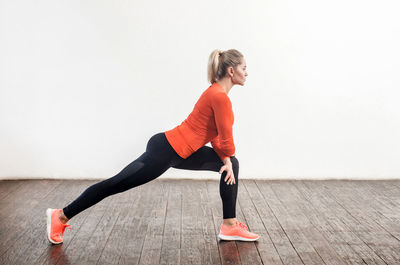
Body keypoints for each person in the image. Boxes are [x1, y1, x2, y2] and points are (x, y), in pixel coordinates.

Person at [46, 49, 260, 244]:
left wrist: (226, 161)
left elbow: (217, 137)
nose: (246, 73)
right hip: (165, 151)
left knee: (233, 164)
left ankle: (229, 226)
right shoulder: (219, 97)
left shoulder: (216, 93)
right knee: (115, 184)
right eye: (244, 68)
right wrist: (227, 158)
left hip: (182, 152)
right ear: (231, 71)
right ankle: (61, 215)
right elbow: (226, 137)